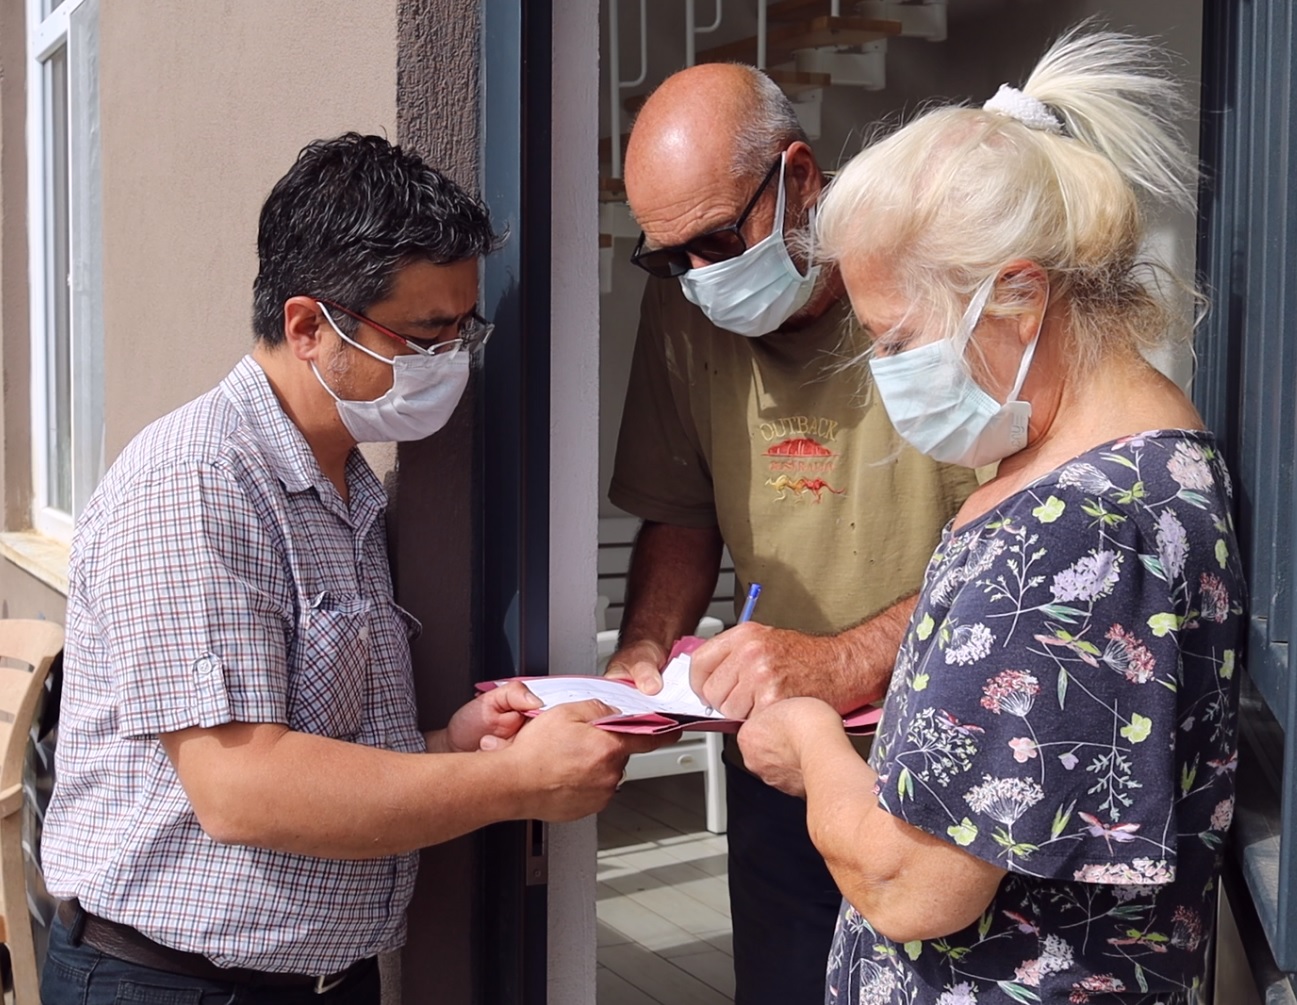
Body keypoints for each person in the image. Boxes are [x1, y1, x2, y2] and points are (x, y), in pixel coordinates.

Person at [39, 133, 662, 1004]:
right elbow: (240, 785)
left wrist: (455, 741)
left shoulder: (346, 483)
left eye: (463, 327)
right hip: (174, 983)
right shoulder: (199, 481)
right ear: (307, 326)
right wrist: (507, 781)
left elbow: (317, 746)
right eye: (424, 332)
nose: (451, 358)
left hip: (318, 977)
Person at [738, 27, 1243, 1004]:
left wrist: (805, 736)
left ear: (1016, 293)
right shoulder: (1077, 462)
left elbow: (910, 882)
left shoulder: (1089, 527)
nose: (887, 372)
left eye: (899, 337)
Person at [606, 64, 979, 1002]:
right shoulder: (680, 310)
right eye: (668, 256)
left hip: (945, 754)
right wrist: (644, 654)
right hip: (776, 755)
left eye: (716, 241)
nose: (698, 277)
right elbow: (681, 512)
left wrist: (843, 661)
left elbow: (1013, 553)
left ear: (802, 177)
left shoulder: (935, 276)